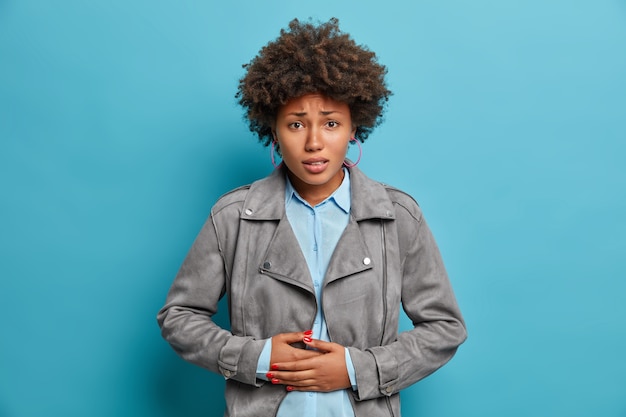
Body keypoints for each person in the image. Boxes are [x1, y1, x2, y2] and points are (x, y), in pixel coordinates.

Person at [157, 17, 466, 417]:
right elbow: (179, 317)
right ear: (273, 129)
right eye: (297, 123)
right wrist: (259, 357)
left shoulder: (397, 217)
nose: (315, 142)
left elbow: (444, 328)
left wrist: (357, 369)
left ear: (354, 126)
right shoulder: (234, 217)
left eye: (331, 123)